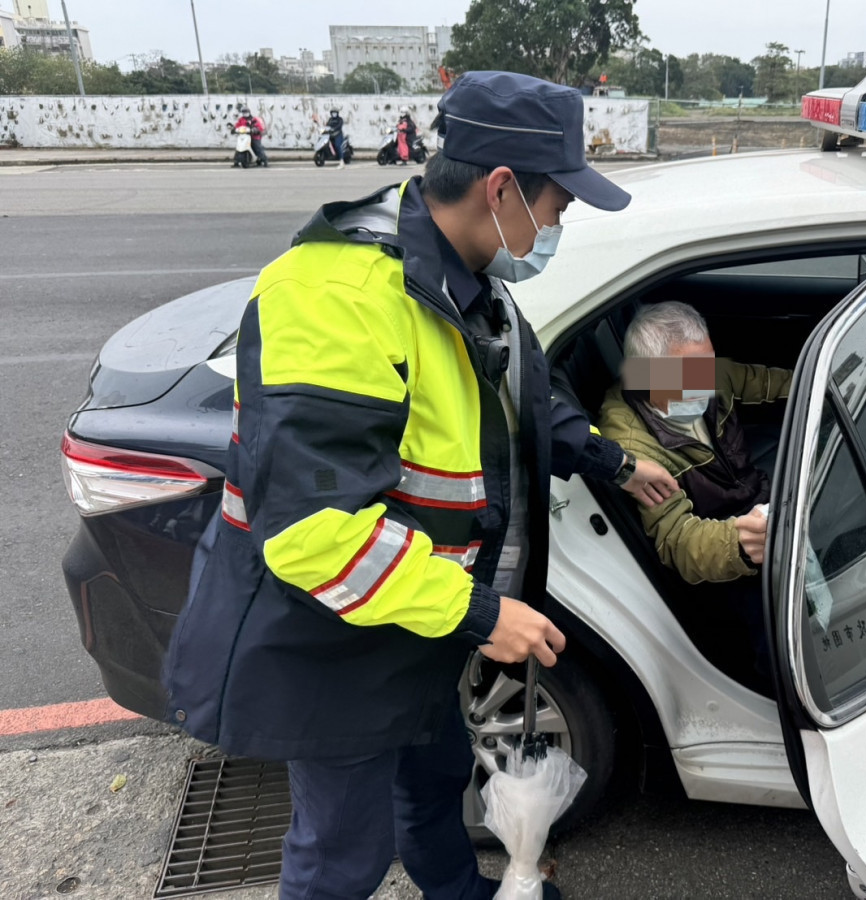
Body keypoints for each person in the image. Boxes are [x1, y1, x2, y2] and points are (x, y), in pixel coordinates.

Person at [164, 71, 678, 900]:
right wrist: (483, 614)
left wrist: (616, 461)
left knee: (434, 781)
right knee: (340, 855)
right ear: (502, 188)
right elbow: (314, 532)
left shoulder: (468, 279)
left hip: (413, 616)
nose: (557, 226)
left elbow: (516, 397)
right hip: (326, 635)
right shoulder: (336, 296)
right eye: (559, 206)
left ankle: (459, 892)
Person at [598, 301, 792, 684]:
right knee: (776, 630)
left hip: (761, 501)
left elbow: (775, 383)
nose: (706, 383)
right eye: (690, 376)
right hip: (721, 553)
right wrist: (738, 541)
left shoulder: (706, 376)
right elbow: (676, 540)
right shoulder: (633, 446)